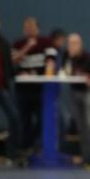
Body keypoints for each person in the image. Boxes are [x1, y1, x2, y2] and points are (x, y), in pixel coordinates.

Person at [11, 17, 54, 158]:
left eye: (32, 27)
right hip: (23, 89)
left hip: (40, 89)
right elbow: (14, 61)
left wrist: (47, 72)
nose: (30, 30)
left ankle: (32, 145)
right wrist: (27, 47)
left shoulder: (46, 42)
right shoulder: (18, 43)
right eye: (27, 28)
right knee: (24, 121)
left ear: (37, 29)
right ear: (24, 30)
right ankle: (24, 150)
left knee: (42, 119)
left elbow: (50, 61)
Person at [63, 33, 90, 169]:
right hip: (75, 92)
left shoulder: (88, 57)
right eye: (70, 43)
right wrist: (69, 61)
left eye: (75, 43)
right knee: (81, 126)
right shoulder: (67, 56)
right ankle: (85, 157)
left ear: (80, 44)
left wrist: (88, 78)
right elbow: (65, 72)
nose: (72, 46)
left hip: (89, 93)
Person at [0, 15, 22, 166]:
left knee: (15, 117)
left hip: (1, 87)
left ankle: (12, 153)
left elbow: (8, 65)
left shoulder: (4, 43)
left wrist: (15, 74)